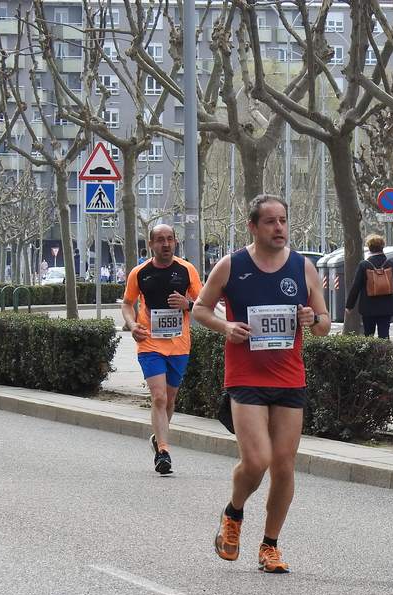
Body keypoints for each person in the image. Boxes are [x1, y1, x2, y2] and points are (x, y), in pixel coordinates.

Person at [192, 193, 331, 574]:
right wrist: (226, 326)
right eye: (270, 221)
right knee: (257, 460)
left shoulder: (303, 268)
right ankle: (233, 514)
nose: (279, 228)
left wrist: (311, 318)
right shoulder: (231, 265)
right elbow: (200, 309)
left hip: (289, 377)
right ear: (253, 226)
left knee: (284, 466)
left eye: (283, 220)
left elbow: (324, 324)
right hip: (246, 376)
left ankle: (269, 546)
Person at [120, 223, 203, 475]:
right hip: (149, 343)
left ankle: (158, 436)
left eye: (169, 239)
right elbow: (127, 303)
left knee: (170, 398)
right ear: (151, 245)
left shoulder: (187, 270)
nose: (165, 244)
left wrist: (187, 304)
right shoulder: (140, 272)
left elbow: (202, 303)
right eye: (160, 240)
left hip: (179, 345)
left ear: (175, 242)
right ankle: (164, 451)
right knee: (159, 397)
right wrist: (132, 324)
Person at [346, 233, 393, 339]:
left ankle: (370, 355)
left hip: (368, 306)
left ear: (369, 248)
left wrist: (349, 305)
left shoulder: (364, 265)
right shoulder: (391, 264)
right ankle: (384, 354)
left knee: (368, 334)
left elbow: (356, 286)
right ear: (382, 247)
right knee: (384, 334)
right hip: (387, 306)